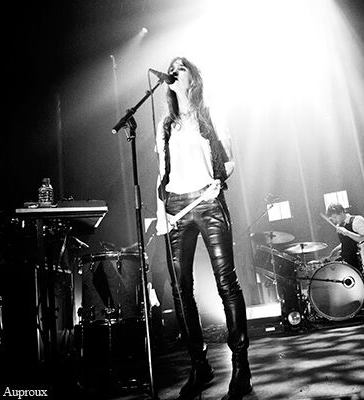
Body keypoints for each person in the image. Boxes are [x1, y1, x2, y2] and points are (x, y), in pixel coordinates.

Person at [153, 56, 251, 400]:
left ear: (192, 76)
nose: (174, 70)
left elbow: (230, 160)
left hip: (208, 204)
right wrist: (160, 211)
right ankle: (200, 366)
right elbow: (162, 174)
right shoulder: (166, 123)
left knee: (227, 282)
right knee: (180, 290)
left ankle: (241, 368)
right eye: (172, 67)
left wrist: (218, 180)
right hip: (177, 207)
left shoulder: (210, 114)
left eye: (181, 66)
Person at [325, 203, 364, 268]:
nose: (334, 220)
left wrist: (347, 232)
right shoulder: (339, 225)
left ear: (341, 212)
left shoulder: (356, 220)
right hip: (347, 260)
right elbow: (347, 242)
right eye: (332, 219)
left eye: (335, 217)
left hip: (360, 260)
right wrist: (333, 252)